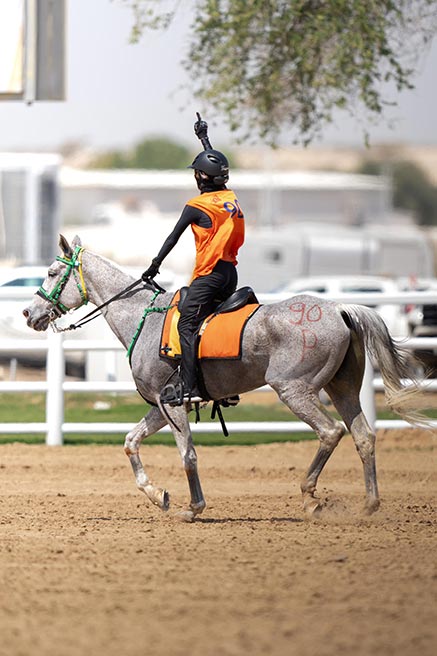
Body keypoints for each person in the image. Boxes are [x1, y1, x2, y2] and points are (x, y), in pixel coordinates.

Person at [142, 114, 245, 405]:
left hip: (209, 275)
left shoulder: (196, 206)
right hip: (229, 274)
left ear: (201, 178)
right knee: (211, 323)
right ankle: (225, 386)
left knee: (186, 324)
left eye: (197, 173)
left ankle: (190, 388)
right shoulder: (230, 197)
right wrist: (204, 140)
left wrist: (154, 266)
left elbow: (172, 238)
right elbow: (216, 170)